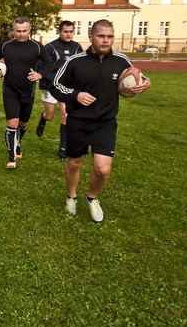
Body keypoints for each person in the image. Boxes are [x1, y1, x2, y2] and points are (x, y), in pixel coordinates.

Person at [51, 19, 150, 222]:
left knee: (102, 169)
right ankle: (71, 196)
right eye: (101, 36)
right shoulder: (75, 61)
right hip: (77, 121)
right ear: (91, 37)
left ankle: (92, 197)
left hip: (105, 123)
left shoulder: (121, 61)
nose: (106, 40)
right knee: (74, 163)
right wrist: (76, 95)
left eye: (110, 36)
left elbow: (135, 77)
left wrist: (144, 83)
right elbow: (55, 85)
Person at [0, 17, 53, 170]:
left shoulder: (36, 46)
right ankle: (12, 158)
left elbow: (49, 63)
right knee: (12, 123)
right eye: (18, 31)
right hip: (10, 90)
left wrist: (40, 74)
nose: (22, 34)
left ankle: (17, 143)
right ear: (14, 30)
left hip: (28, 91)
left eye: (24, 31)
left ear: (29, 30)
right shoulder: (6, 46)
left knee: (23, 124)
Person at [35, 20, 82, 158]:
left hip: (66, 87)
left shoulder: (77, 47)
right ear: (59, 32)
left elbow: (80, 65)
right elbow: (41, 66)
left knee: (65, 115)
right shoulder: (50, 47)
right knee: (50, 115)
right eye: (65, 32)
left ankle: (63, 147)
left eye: (71, 31)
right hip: (50, 86)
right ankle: (43, 119)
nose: (68, 34)